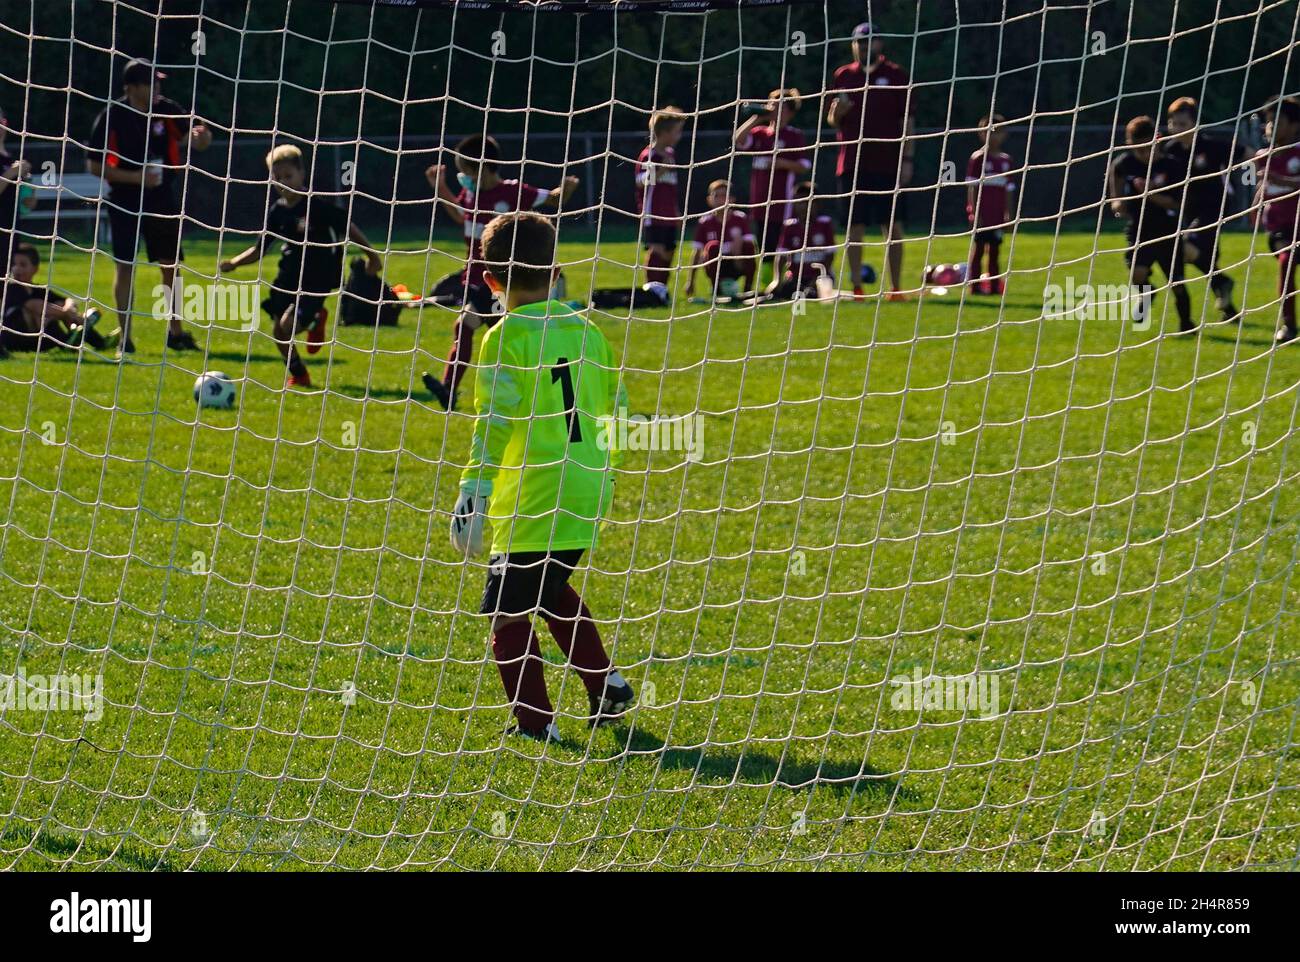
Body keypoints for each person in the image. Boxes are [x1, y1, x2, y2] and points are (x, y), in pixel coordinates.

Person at [450, 211, 634, 741]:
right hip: (588, 485)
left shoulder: (505, 337)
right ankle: (607, 687)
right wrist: (607, 474)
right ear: (556, 271)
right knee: (548, 589)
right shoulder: (589, 331)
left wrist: (473, 487)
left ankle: (534, 724)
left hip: (535, 495)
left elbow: (494, 422)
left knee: (506, 613)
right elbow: (615, 409)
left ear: (490, 281)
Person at [421, 133, 578, 410]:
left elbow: (552, 200)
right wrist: (441, 188)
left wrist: (566, 188)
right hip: (475, 277)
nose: (462, 176)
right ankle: (453, 390)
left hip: (501, 278)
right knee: (488, 333)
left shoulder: (512, 191)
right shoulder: (470, 193)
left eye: (464, 170)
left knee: (489, 332)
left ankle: (454, 389)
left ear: (480, 168)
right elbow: (460, 215)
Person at [219, 145, 383, 389]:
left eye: (288, 176)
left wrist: (373, 256)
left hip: (317, 277)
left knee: (287, 327)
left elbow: (347, 226)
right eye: (277, 177)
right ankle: (300, 374)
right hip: (288, 274)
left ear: (301, 174)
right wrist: (234, 262)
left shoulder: (317, 206)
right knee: (278, 332)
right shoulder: (277, 212)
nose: (282, 182)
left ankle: (315, 318)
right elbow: (259, 249)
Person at [86, 58, 212, 358]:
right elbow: (94, 165)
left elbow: (198, 140)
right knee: (125, 265)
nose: (157, 87)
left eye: (158, 82)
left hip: (161, 198)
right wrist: (136, 177)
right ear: (132, 87)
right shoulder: (113, 115)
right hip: (125, 199)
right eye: (150, 83)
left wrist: (201, 136)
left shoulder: (166, 108)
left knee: (171, 265)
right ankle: (125, 339)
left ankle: (176, 333)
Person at [826, 21, 913, 300]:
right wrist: (839, 112)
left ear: (880, 44)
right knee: (855, 227)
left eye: (870, 41)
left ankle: (896, 287)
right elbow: (832, 121)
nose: (864, 46)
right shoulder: (843, 76)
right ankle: (857, 287)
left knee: (893, 226)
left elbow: (907, 121)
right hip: (852, 163)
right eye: (860, 42)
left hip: (888, 163)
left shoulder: (896, 74)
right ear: (854, 45)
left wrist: (907, 158)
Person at [1109, 115, 1193, 333]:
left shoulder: (1172, 166)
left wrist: (1151, 192)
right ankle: (1148, 293)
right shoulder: (1124, 163)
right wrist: (1118, 203)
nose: (1144, 155)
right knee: (1137, 274)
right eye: (1139, 150)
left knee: (1177, 284)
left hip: (1168, 231)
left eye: (1148, 148)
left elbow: (1176, 203)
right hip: (1139, 229)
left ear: (1157, 140)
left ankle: (1187, 324)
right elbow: (1115, 187)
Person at [1162, 97, 1243, 323]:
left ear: (1194, 124)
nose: (1177, 129)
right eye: (1173, 124)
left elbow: (1246, 152)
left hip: (1214, 209)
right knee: (1205, 258)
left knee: (1185, 247)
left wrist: (1261, 167)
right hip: (1189, 212)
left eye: (1183, 124)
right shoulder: (1170, 151)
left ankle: (1221, 284)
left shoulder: (1209, 146)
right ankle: (1227, 304)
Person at [733, 88, 811, 282]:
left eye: (780, 107)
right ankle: (767, 283)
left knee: (781, 243)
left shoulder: (794, 136)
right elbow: (738, 140)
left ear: (790, 112)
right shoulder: (760, 134)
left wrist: (780, 163)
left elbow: (803, 165)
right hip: (759, 202)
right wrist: (756, 118)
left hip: (782, 202)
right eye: (772, 105)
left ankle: (783, 280)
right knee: (764, 244)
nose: (774, 109)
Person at [1252, 97, 1300, 343]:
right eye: (1268, 122)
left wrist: (1283, 182)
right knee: (1286, 260)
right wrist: (1253, 208)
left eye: (1276, 121)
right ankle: (1289, 325)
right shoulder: (1262, 155)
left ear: (1294, 125)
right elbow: (1261, 183)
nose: (1269, 126)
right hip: (1278, 227)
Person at [0, 242, 104, 355]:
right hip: (15, 340)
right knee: (42, 312)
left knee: (59, 304)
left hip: (41, 340)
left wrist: (69, 310)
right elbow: (36, 306)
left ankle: (94, 341)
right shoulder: (12, 289)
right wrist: (68, 314)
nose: (17, 269)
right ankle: (74, 335)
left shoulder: (39, 290)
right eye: (13, 265)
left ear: (35, 269)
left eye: (23, 265)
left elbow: (67, 300)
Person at [635, 106, 686, 290]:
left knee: (669, 251)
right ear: (664, 133)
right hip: (652, 213)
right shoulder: (649, 155)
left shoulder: (671, 154)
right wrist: (660, 170)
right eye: (677, 131)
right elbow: (640, 181)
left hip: (669, 214)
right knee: (656, 250)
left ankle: (662, 289)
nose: (679, 136)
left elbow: (671, 188)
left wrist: (676, 211)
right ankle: (651, 288)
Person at [966, 113, 1016, 295]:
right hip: (982, 215)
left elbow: (1009, 189)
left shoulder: (1006, 161)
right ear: (981, 133)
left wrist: (1009, 214)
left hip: (997, 216)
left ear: (1004, 135)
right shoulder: (978, 159)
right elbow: (972, 188)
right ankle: (975, 287)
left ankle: (995, 287)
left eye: (997, 132)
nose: (993, 136)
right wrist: (974, 213)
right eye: (989, 132)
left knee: (995, 250)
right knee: (978, 250)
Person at [764, 181, 837, 301]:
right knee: (781, 294)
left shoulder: (825, 224)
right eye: (799, 202)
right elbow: (781, 255)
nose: (803, 206)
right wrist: (776, 280)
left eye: (806, 202)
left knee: (812, 295)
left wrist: (815, 281)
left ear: (817, 204)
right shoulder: (789, 226)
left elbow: (830, 255)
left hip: (820, 278)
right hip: (796, 278)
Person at [685, 179, 757, 300]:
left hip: (737, 263)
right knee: (712, 246)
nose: (720, 199)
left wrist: (738, 254)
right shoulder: (705, 222)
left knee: (748, 246)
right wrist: (690, 281)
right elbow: (696, 252)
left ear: (732, 199)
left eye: (724, 195)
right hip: (717, 266)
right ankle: (716, 289)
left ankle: (747, 290)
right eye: (716, 196)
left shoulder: (740, 218)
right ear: (709, 199)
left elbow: (750, 246)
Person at [0, 109, 36, 269]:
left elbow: (28, 205)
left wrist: (30, 188)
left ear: (5, 124)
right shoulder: (12, 168)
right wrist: (11, 173)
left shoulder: (11, 159)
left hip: (11, 229)